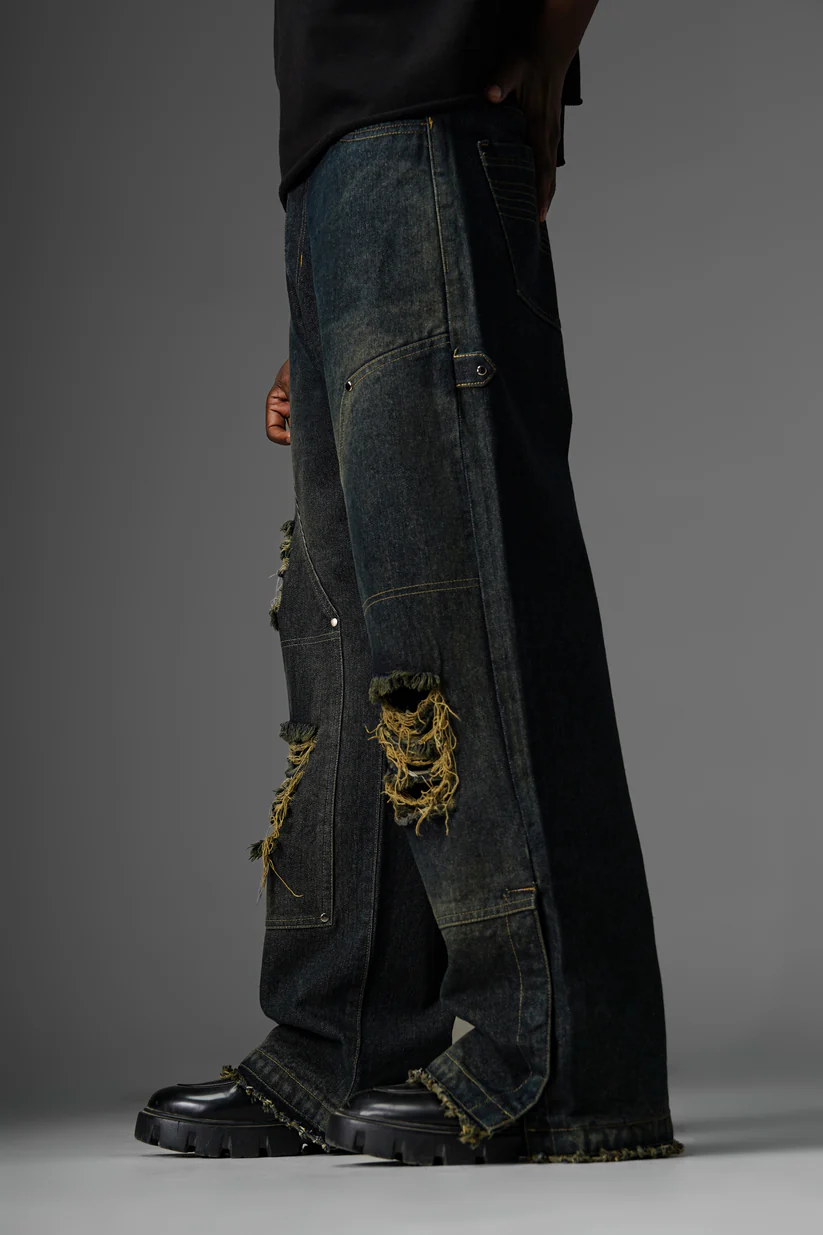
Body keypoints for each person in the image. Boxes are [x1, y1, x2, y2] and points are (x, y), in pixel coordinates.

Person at [135, 0, 683, 1165]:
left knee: (463, 605)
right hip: (332, 165)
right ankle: (343, 1038)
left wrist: (547, 48)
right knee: (344, 635)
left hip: (430, 123)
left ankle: (564, 1056)